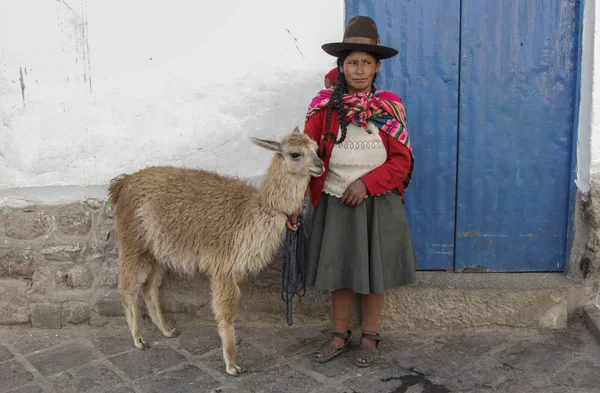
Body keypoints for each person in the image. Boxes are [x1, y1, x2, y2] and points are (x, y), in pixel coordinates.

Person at [289, 15, 417, 367]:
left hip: (378, 202)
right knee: (340, 270)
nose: (359, 70)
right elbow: (306, 156)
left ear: (377, 68)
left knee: (375, 273)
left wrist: (367, 183)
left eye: (366, 63)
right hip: (334, 200)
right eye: (352, 63)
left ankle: (371, 336)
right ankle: (339, 333)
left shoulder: (389, 108)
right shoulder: (322, 109)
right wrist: (295, 203)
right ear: (341, 67)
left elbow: (401, 161)